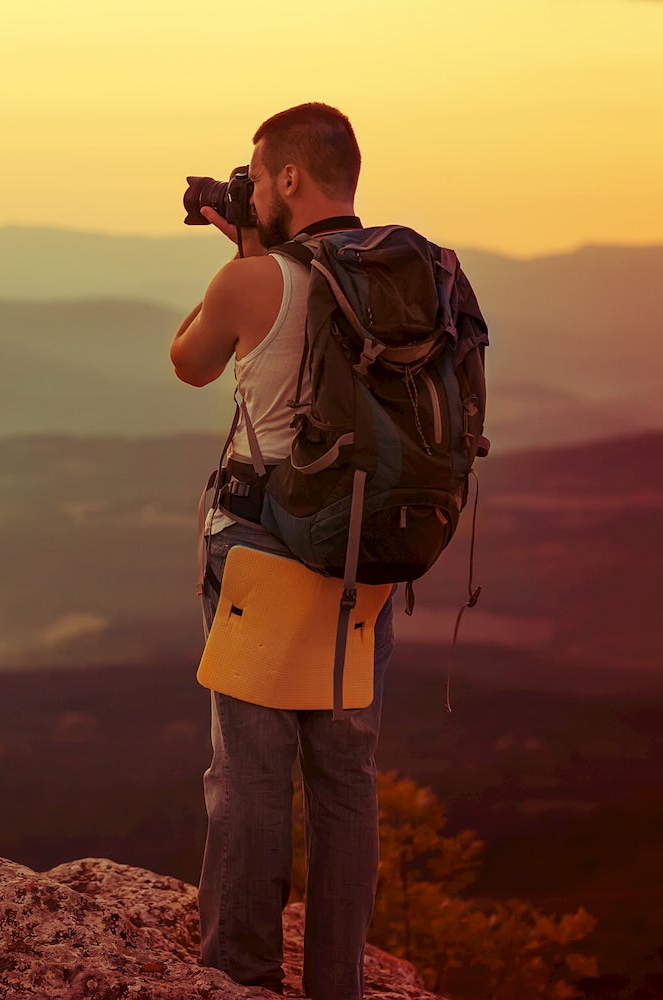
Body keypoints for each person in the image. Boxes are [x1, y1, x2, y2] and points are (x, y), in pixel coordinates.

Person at [168, 102, 396, 1000]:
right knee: (345, 775)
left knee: (252, 773)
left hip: (263, 552)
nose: (251, 189)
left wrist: (239, 256)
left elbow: (189, 361)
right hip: (366, 555)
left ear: (290, 179)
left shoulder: (256, 280)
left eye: (259, 177)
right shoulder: (407, 275)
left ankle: (244, 977)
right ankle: (337, 983)